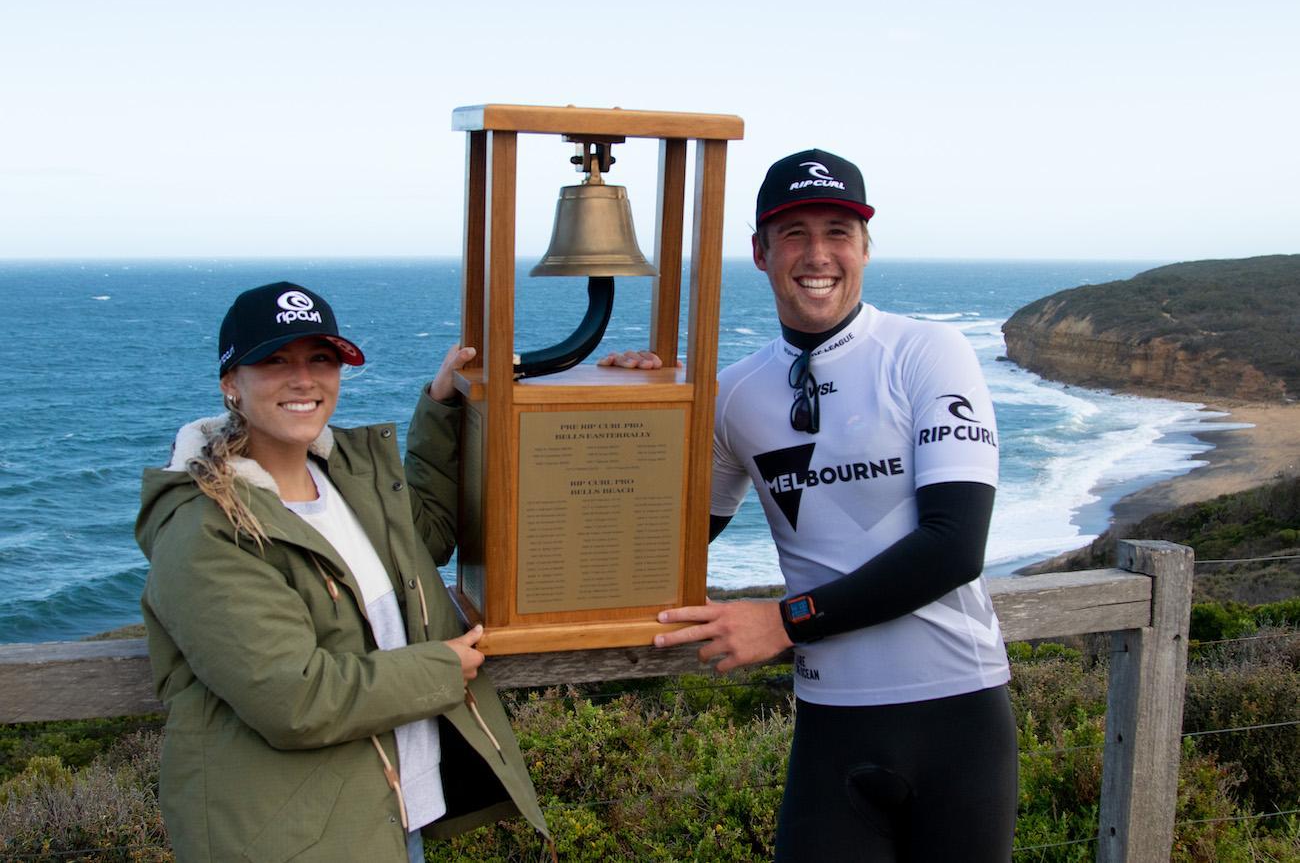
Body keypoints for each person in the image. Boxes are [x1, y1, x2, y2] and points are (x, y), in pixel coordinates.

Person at [603, 149, 1017, 860]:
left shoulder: (927, 353)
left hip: (959, 717)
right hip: (832, 727)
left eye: (837, 230)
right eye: (794, 232)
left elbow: (953, 546)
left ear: (864, 249)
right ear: (760, 252)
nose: (817, 253)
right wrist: (645, 408)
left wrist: (786, 621)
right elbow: (655, 558)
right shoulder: (734, 394)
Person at [136, 282, 548, 863]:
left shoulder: (345, 478)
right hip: (288, 839)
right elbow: (294, 700)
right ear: (231, 384)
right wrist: (443, 668)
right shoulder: (204, 527)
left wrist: (445, 403)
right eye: (274, 360)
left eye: (320, 359)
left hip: (384, 815)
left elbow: (424, 536)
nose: (302, 379)